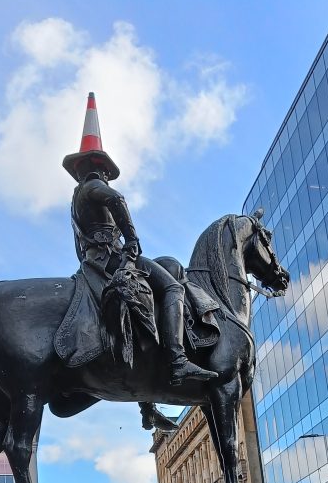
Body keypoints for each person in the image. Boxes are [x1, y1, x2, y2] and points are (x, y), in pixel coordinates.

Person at [63, 93, 217, 389]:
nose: (106, 176)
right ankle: (176, 359)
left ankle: (149, 397)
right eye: (106, 170)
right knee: (172, 287)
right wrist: (132, 238)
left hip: (93, 261)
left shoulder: (74, 200)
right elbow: (117, 199)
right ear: (100, 168)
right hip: (111, 257)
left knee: (169, 268)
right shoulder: (94, 186)